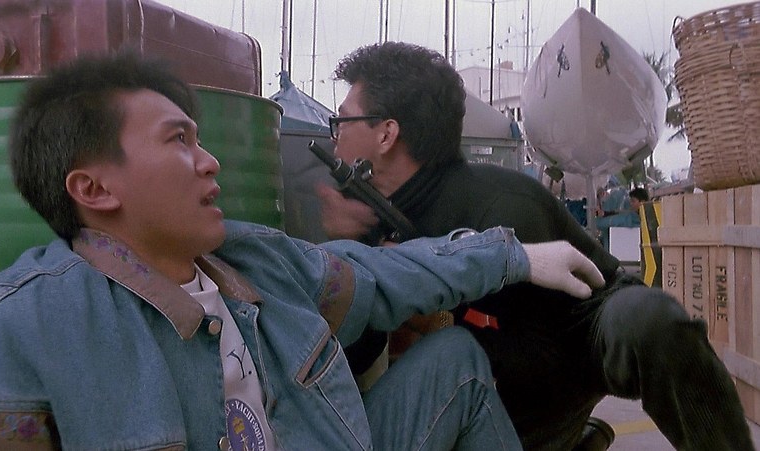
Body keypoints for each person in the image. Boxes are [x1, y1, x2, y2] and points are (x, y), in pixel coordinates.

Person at [0, 52, 605, 450]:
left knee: (454, 358)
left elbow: (382, 274)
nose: (211, 161)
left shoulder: (250, 261)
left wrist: (515, 256)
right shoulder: (21, 330)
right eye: (179, 140)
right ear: (94, 188)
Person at [317, 41, 754, 451]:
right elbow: (349, 363)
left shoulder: (502, 207)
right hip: (477, 402)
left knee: (650, 319)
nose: (335, 135)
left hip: (547, 380)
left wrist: (434, 308)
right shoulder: (364, 223)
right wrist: (351, 268)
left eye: (343, 120)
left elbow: (555, 345)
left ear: (386, 134)